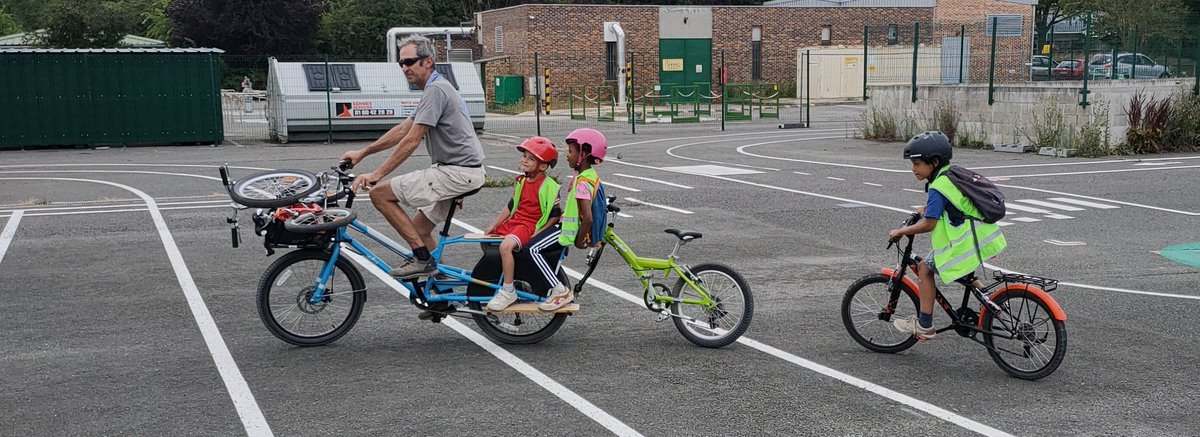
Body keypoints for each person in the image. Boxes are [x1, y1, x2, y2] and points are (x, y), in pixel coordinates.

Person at [340, 34, 485, 280]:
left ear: (428, 61)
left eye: (409, 62)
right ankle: (442, 291)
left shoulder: (436, 90)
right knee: (418, 231)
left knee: (380, 194)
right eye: (401, 64)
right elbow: (402, 130)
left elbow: (412, 140)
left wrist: (377, 175)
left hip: (457, 172)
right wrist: (362, 154)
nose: (404, 68)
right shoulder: (434, 88)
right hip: (460, 171)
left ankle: (422, 260)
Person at [888, 131, 1007, 341]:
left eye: (917, 164)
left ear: (933, 162)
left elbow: (929, 225)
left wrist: (901, 231)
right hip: (982, 237)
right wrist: (929, 208)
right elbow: (956, 204)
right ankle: (992, 303)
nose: (913, 169)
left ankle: (924, 324)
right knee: (963, 272)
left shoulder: (937, 187)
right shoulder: (951, 174)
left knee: (925, 269)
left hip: (966, 243)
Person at [521, 128, 607, 311]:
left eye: (570, 151)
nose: (567, 155)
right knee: (531, 246)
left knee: (531, 250)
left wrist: (578, 241)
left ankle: (560, 291)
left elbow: (588, 218)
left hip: (565, 231)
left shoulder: (583, 182)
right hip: (563, 226)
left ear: (583, 153)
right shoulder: (587, 176)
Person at [484, 137, 562, 311]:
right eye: (524, 156)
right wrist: (494, 224)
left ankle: (508, 290)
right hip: (515, 222)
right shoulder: (521, 181)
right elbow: (512, 205)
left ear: (543, 166)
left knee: (505, 247)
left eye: (531, 158)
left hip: (528, 225)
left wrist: (540, 232)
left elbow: (555, 215)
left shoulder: (550, 186)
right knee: (486, 242)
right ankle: (507, 274)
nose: (524, 160)